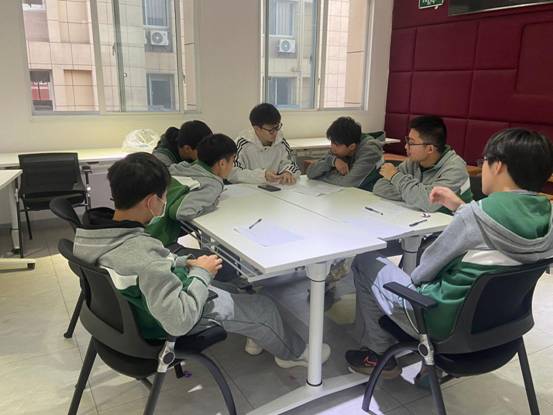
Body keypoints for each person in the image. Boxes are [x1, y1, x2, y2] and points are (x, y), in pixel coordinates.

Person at [73, 152, 331, 368]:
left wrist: (182, 263)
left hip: (139, 312)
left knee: (236, 288)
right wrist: (201, 273)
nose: (165, 201)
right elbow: (179, 320)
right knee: (264, 307)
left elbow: (144, 266)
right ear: (151, 202)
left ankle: (258, 332)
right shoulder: (143, 254)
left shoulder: (93, 236)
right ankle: (294, 354)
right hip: (165, 323)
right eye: (164, 196)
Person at [345, 128, 553, 378]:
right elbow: (495, 232)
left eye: (484, 161)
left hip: (440, 322)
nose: (483, 168)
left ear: (498, 166)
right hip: (500, 324)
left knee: (365, 260)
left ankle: (379, 354)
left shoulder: (473, 217)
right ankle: (427, 373)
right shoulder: (547, 217)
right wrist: (461, 208)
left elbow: (422, 274)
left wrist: (466, 215)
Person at [373, 115, 472, 214]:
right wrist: (415, 196)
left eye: (411, 143)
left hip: (452, 222)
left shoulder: (455, 168)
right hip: (420, 218)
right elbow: (379, 187)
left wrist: (395, 176)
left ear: (430, 149)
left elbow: (429, 203)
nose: (406, 146)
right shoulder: (412, 162)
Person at [228, 103, 301, 185]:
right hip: (249, 189)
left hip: (275, 188)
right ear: (257, 129)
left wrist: (288, 172)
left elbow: (291, 164)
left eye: (277, 127)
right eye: (270, 130)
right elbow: (232, 173)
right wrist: (262, 175)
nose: (275, 133)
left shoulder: (281, 142)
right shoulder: (242, 144)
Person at [306, 116, 384, 188]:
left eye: (336, 144)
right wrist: (333, 161)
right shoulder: (339, 145)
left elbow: (348, 182)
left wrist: (323, 176)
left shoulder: (370, 150)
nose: (332, 147)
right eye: (332, 142)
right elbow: (310, 173)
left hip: (371, 192)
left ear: (352, 146)